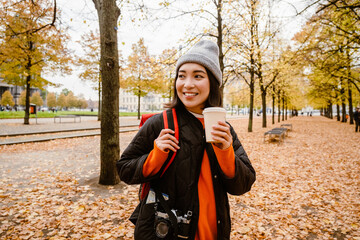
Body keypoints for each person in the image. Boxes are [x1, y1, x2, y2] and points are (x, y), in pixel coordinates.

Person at [117, 40, 256, 240]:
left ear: (213, 83)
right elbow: (124, 169)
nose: (187, 84)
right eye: (181, 76)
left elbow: (243, 185)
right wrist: (156, 154)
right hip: (166, 231)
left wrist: (226, 151)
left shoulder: (224, 129)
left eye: (198, 76)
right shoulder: (160, 123)